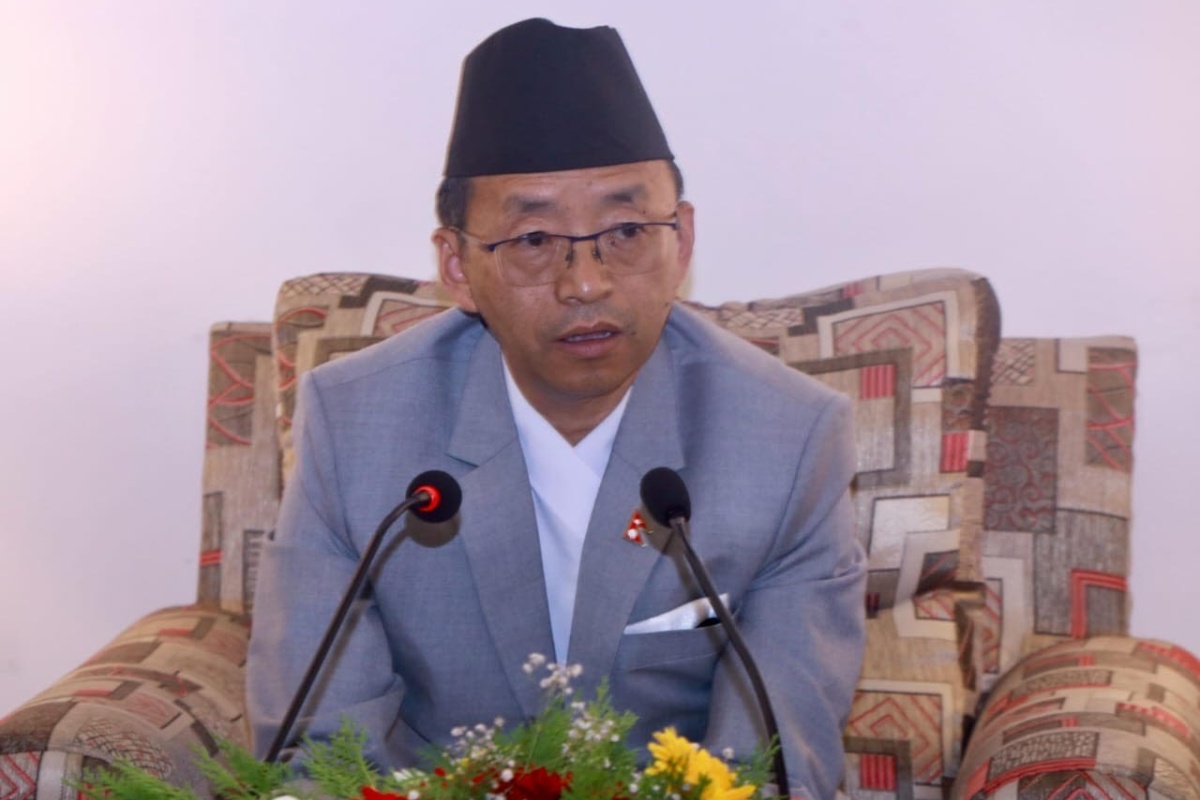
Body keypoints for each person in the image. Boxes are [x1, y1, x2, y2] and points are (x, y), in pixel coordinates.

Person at [248, 18, 866, 800]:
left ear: (681, 240)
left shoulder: (789, 437)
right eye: (534, 239)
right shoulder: (354, 423)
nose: (586, 283)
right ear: (457, 267)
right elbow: (324, 751)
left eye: (628, 230)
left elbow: (773, 762)